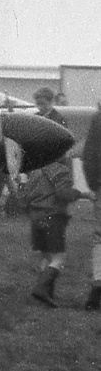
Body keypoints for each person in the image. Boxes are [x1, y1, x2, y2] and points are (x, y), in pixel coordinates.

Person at [17, 145, 81, 307]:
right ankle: (41, 290)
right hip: (53, 218)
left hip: (36, 219)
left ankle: (47, 294)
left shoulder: (36, 172)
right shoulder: (61, 171)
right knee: (58, 258)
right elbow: (62, 193)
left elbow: (24, 198)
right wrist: (80, 194)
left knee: (46, 257)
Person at [80, 108, 101, 310]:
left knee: (100, 237)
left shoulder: (98, 118)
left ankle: (98, 282)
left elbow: (89, 154)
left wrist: (93, 184)